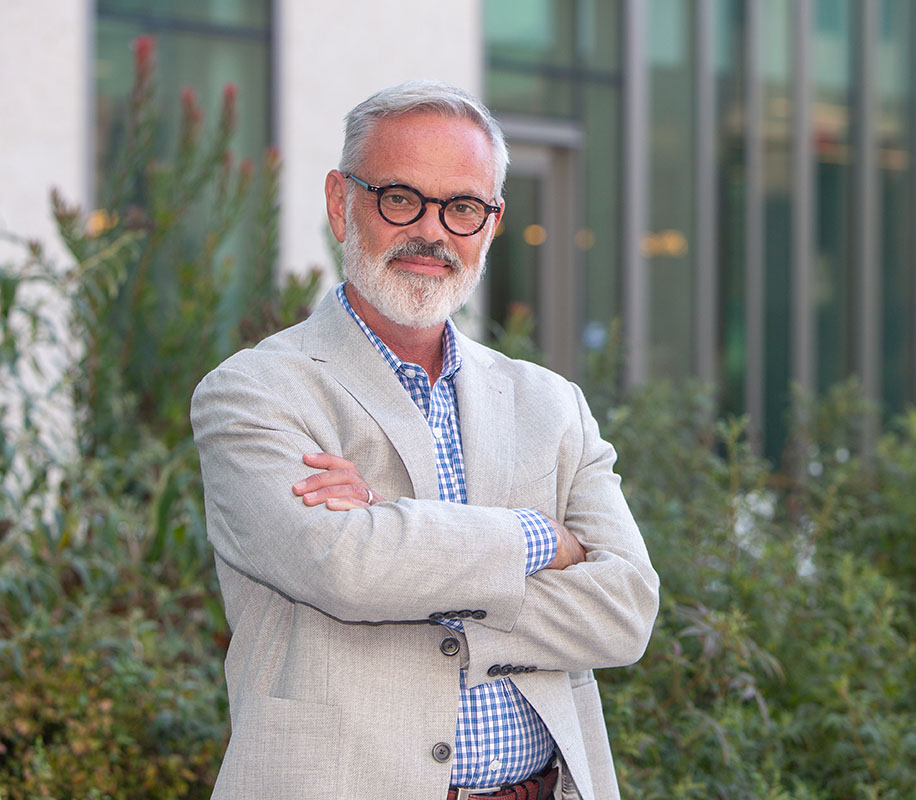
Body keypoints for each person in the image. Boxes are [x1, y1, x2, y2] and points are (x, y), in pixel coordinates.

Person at [190, 81, 659, 800]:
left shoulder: (551, 403)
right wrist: (540, 540)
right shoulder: (254, 393)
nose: (433, 232)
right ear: (341, 203)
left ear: (492, 223)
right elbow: (346, 571)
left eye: (462, 207)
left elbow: (626, 609)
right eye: (400, 197)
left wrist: (399, 542)